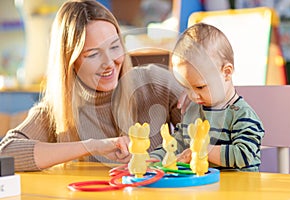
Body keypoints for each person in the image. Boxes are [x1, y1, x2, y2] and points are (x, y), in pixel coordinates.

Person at [0, 0, 183, 172]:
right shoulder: (55, 112)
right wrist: (91, 146)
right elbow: (5, 152)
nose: (109, 63)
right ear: (70, 62)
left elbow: (205, 134)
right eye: (93, 54)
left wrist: (205, 99)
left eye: (114, 47)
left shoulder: (156, 84)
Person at [150, 23, 265, 171]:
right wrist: (156, 157)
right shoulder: (193, 110)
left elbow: (244, 154)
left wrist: (202, 149)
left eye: (199, 87)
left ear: (227, 73)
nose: (192, 95)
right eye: (186, 87)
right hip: (203, 188)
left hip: (238, 190)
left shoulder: (242, 114)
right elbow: (177, 142)